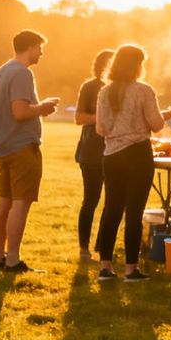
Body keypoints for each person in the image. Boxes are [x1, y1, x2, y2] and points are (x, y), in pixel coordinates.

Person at [95, 45, 171, 282]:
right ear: (137, 65)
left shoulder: (104, 92)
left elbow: (100, 128)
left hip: (111, 155)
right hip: (138, 154)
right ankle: (130, 269)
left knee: (112, 210)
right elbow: (156, 124)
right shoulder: (143, 90)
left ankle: (105, 268)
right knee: (134, 213)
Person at [0, 29, 59, 274]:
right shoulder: (22, 73)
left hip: (4, 146)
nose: (41, 53)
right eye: (39, 47)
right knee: (20, 203)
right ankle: (13, 260)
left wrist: (38, 107)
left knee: (5, 201)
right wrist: (43, 108)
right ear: (29, 47)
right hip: (22, 146)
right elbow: (19, 112)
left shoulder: (0, 72)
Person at [74, 49, 115, 261]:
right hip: (91, 151)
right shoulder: (90, 87)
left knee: (113, 202)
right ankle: (84, 248)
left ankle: (102, 246)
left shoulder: (121, 88)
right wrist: (102, 117)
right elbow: (79, 118)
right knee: (91, 200)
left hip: (116, 151)